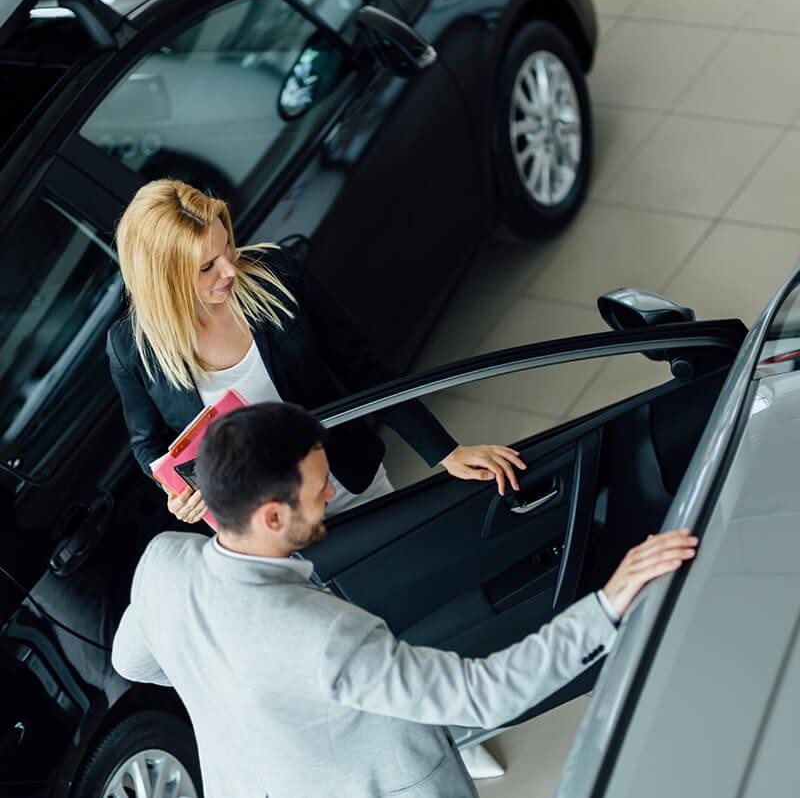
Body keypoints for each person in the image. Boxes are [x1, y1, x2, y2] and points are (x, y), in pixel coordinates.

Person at [112, 402, 699, 798]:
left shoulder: (163, 565)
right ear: (271, 516)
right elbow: (481, 694)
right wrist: (608, 602)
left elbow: (130, 662)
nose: (333, 494)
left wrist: (232, 685)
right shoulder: (323, 637)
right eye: (320, 491)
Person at [107, 179, 525, 524]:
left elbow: (363, 367)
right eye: (207, 267)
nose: (230, 270)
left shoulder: (277, 276)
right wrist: (177, 490)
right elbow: (149, 444)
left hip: (342, 479)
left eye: (226, 249)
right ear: (163, 280)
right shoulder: (131, 348)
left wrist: (444, 451)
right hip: (261, 524)